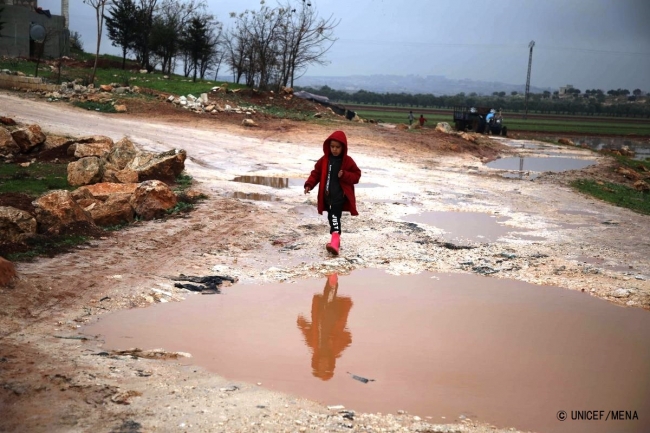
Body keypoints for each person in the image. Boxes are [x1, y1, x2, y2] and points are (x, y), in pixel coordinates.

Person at [304, 130, 361, 255]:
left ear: (343, 147)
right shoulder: (324, 160)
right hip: (327, 196)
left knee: (335, 216)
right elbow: (316, 173)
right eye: (332, 147)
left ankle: (335, 241)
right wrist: (309, 185)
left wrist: (345, 174)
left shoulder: (347, 161)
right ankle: (336, 239)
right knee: (331, 216)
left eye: (337, 147)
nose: (334, 149)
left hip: (339, 196)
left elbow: (356, 176)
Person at [296, 273, 353, 380]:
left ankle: (332, 280)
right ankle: (332, 279)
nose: (323, 363)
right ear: (330, 365)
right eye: (325, 366)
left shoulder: (315, 347)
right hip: (333, 319)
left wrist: (302, 323)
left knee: (325, 300)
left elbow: (308, 334)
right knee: (329, 300)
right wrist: (340, 334)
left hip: (320, 319)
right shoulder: (336, 350)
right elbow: (348, 340)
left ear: (316, 364)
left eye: (320, 366)